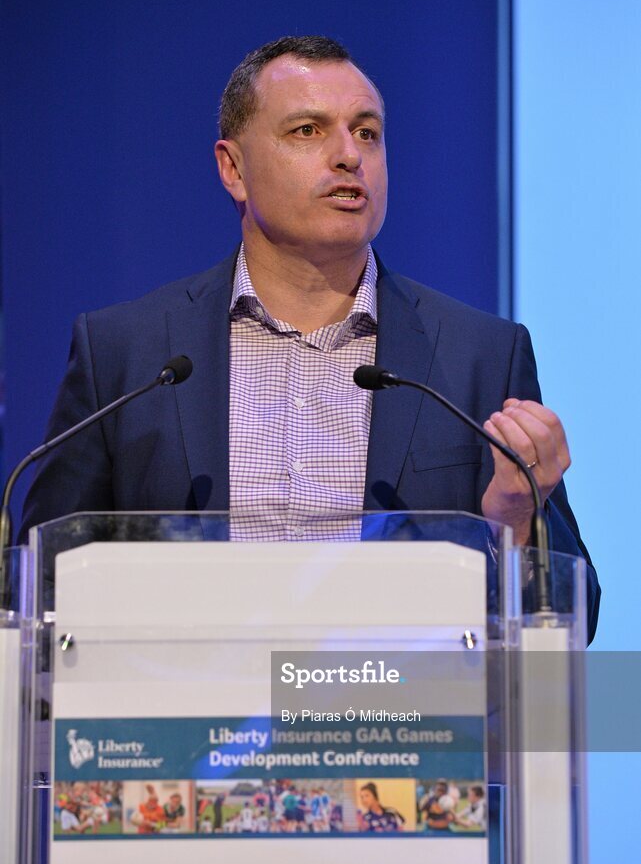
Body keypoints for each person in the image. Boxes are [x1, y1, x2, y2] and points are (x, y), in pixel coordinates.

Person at [19, 35, 599, 640]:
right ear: (233, 169)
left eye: (367, 132)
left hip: (392, 718)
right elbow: (41, 589)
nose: (349, 155)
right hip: (185, 718)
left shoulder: (479, 354)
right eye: (307, 131)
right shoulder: (127, 353)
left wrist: (516, 518)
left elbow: (572, 618)